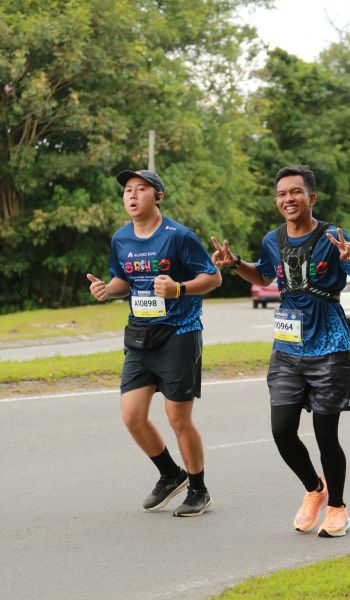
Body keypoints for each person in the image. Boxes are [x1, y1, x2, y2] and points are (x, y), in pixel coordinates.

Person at [211, 164, 350, 537]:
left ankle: (337, 508)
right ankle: (315, 489)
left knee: (325, 435)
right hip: (287, 349)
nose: (288, 199)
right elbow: (264, 275)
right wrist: (236, 264)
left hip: (329, 348)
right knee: (282, 430)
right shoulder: (272, 240)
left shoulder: (334, 237)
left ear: (311, 197)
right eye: (282, 194)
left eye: (295, 192)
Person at [88, 169, 221, 517]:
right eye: (127, 191)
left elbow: (213, 277)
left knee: (178, 418)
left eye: (141, 189)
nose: (132, 196)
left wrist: (179, 288)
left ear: (158, 197)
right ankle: (170, 474)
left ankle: (199, 489)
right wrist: (106, 290)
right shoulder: (120, 238)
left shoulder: (179, 236)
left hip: (179, 333)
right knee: (132, 416)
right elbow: (123, 281)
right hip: (139, 335)